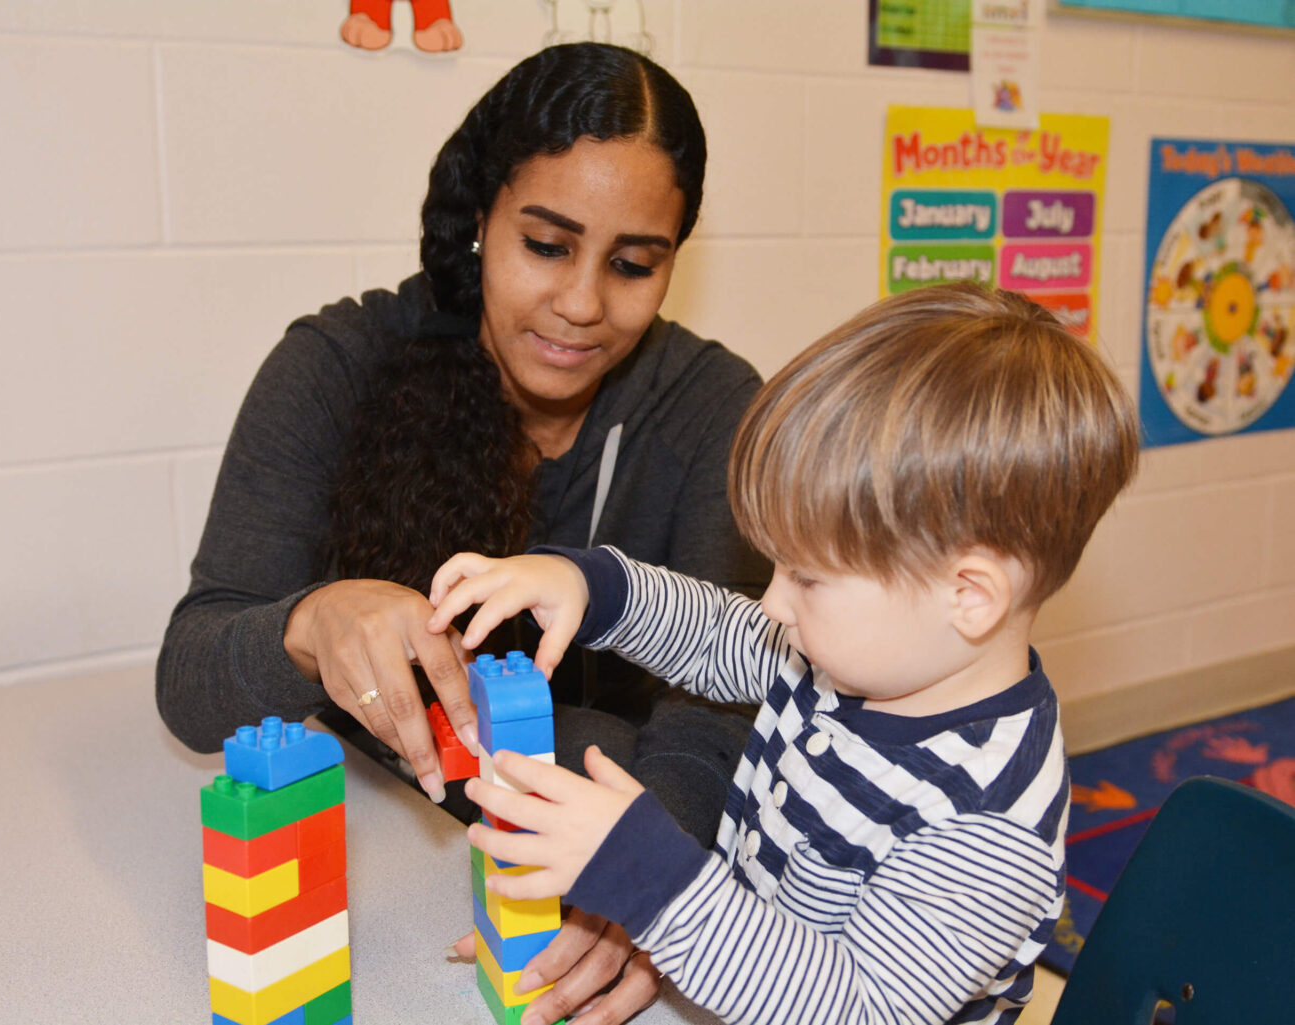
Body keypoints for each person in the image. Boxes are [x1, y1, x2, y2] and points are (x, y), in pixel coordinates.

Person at [156, 42, 769, 1025]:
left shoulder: (713, 410)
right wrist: (310, 620)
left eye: (632, 264)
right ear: (480, 220)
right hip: (381, 833)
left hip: (597, 851)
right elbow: (190, 679)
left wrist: (647, 890)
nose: (579, 303)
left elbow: (720, 713)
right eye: (545, 243)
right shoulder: (334, 366)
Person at [428, 283, 1141, 1025]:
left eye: (806, 575)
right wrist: (592, 584)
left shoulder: (985, 834)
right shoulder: (848, 657)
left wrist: (652, 878)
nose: (773, 601)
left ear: (969, 594)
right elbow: (713, 633)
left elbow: (854, 1009)